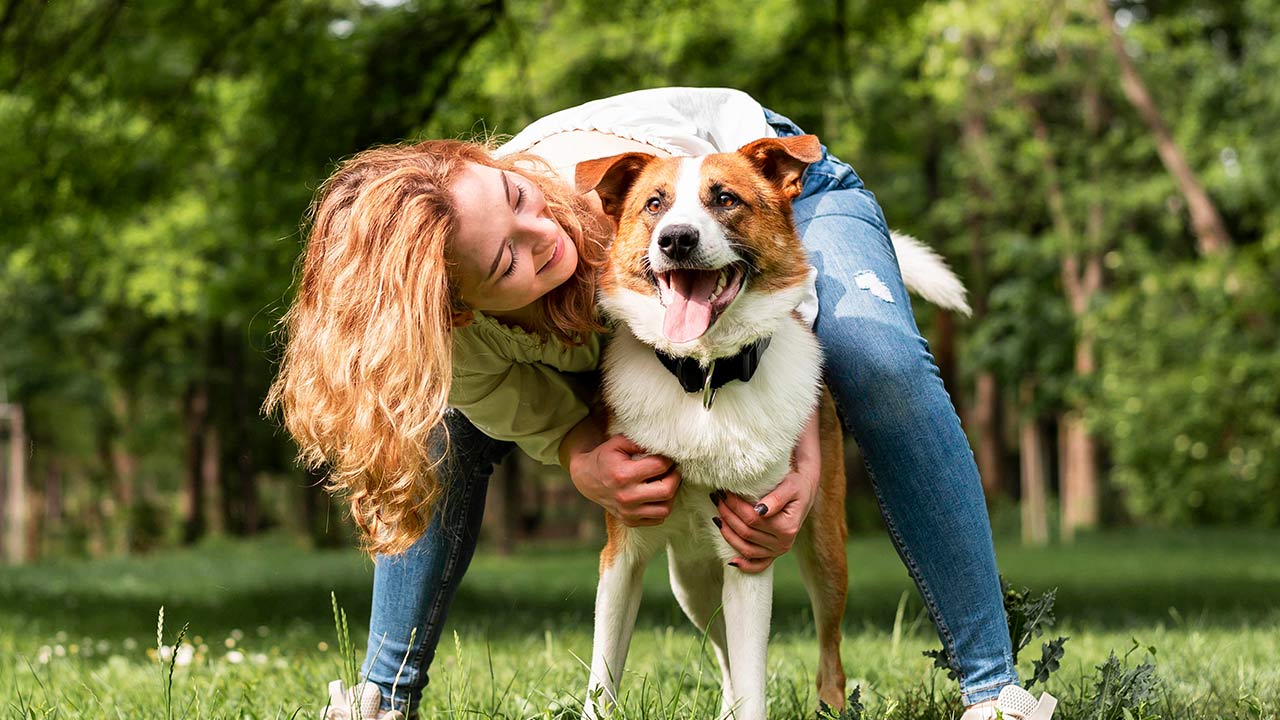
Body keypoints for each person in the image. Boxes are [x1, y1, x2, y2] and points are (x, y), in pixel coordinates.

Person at [266, 88, 1055, 720]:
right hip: (680, 287)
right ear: (460, 311)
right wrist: (580, 455)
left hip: (764, 188)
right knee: (440, 424)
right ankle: (380, 698)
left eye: (514, 194)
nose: (539, 232)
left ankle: (994, 693)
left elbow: (744, 256)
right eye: (507, 259)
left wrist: (801, 458)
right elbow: (533, 411)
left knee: (876, 356)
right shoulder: (462, 345)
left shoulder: (625, 192)